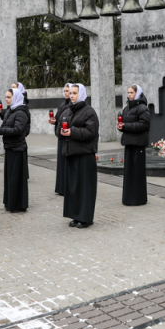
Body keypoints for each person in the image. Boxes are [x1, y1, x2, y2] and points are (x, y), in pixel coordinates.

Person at [61, 84, 99, 229]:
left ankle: (86, 218)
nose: (71, 96)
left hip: (84, 155)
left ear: (81, 94)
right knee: (73, 188)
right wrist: (61, 130)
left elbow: (90, 132)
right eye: (70, 93)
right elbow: (60, 127)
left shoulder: (89, 112)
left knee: (84, 188)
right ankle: (76, 216)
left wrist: (72, 131)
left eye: (74, 93)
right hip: (71, 154)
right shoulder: (68, 110)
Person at [118, 84, 150, 206]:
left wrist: (126, 126)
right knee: (129, 172)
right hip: (129, 143)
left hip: (138, 144)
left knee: (138, 172)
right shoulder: (127, 109)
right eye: (128, 92)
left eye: (131, 93)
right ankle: (128, 198)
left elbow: (144, 125)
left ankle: (138, 199)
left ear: (137, 93)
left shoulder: (143, 108)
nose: (129, 95)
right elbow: (126, 125)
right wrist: (121, 127)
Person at [0, 87, 30, 212]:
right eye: (6, 97)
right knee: (10, 177)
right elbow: (5, 125)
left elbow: (17, 130)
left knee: (15, 177)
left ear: (16, 98)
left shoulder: (21, 112)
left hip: (17, 148)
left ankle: (17, 204)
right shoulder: (10, 111)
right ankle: (10, 202)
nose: (6, 99)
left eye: (9, 97)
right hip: (10, 147)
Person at [50, 83, 72, 195]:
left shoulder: (72, 105)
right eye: (65, 90)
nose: (66, 93)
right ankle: (60, 187)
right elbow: (59, 118)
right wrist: (54, 121)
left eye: (68, 90)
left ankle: (66, 187)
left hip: (68, 137)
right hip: (61, 136)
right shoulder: (62, 104)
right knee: (61, 163)